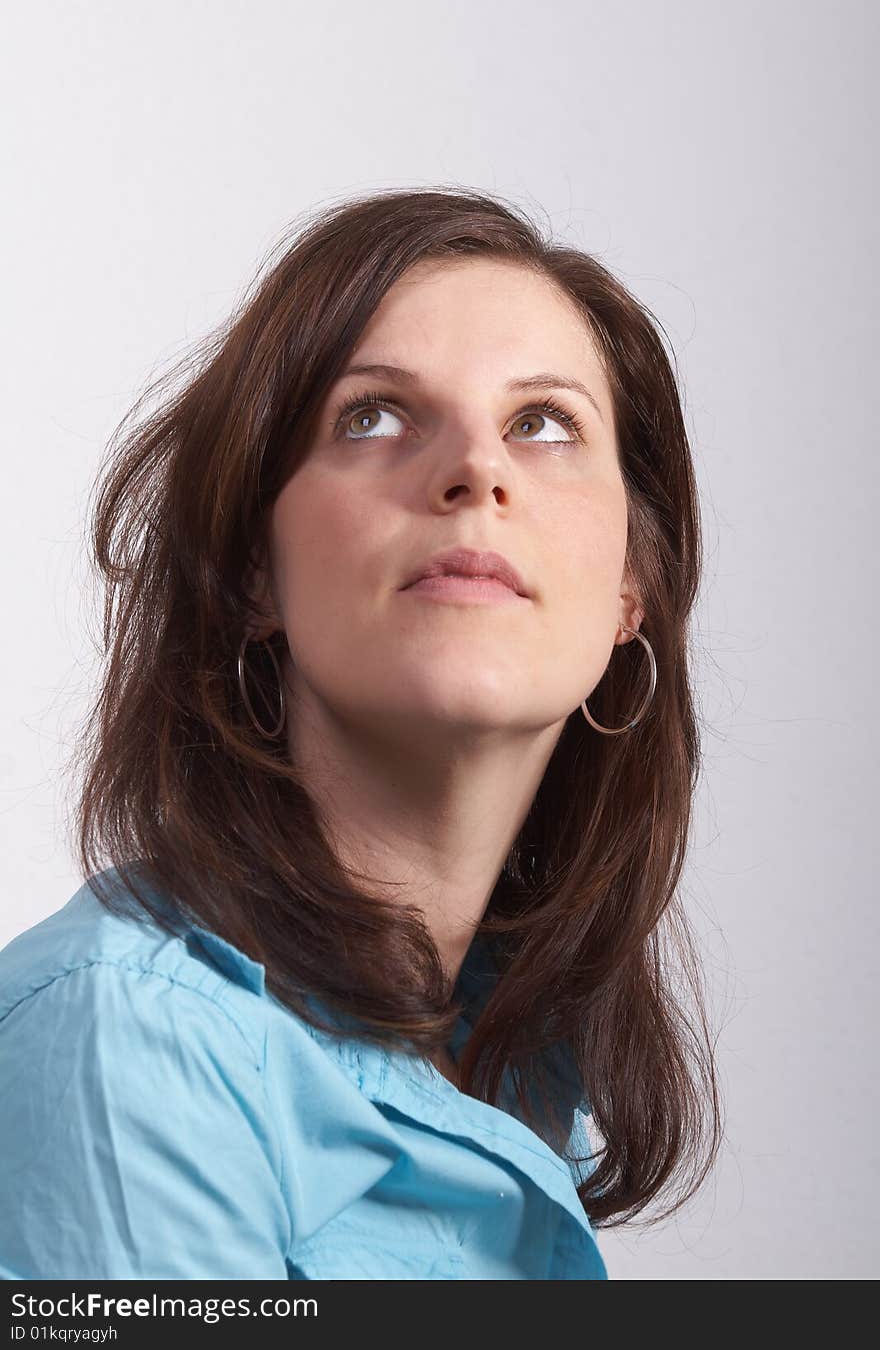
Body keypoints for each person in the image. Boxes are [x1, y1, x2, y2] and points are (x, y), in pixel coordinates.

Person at [0, 186, 721, 1280]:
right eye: (372, 414)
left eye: (543, 423)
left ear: (631, 590)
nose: (476, 473)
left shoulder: (519, 1058)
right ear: (253, 570)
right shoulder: (130, 1035)